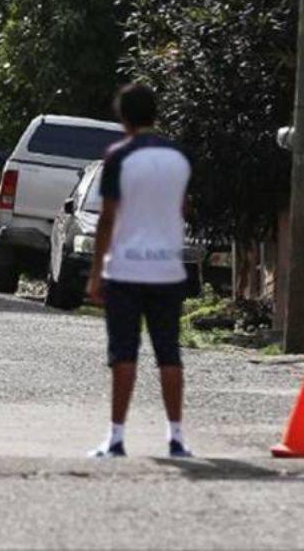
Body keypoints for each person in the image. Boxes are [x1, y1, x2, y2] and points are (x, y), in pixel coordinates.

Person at [86, 83, 193, 459]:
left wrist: (96, 272)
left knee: (123, 353)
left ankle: (116, 438)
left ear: (123, 118)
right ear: (155, 114)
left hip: (127, 269)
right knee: (169, 353)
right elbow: (181, 207)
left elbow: (107, 217)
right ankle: (176, 437)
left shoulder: (118, 156)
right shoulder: (180, 156)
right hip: (167, 268)